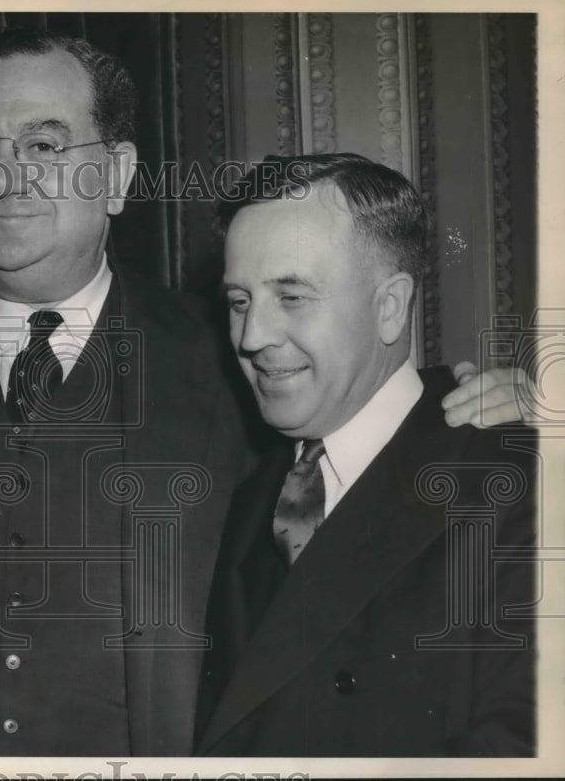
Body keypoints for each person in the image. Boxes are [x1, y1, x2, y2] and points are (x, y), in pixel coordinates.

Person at [0, 28, 524, 757]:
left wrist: (492, 405)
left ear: (117, 176)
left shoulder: (242, 366)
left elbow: (367, 413)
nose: (3, 180)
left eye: (43, 146)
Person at [194, 154, 536, 757]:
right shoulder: (244, 495)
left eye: (291, 296)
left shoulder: (517, 480)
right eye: (240, 301)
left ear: (389, 307)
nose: (251, 337)